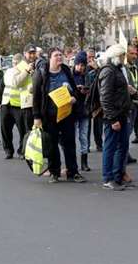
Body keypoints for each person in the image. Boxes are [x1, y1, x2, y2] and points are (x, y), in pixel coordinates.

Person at [32, 47, 86, 184]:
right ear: (50, 58)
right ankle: (54, 172)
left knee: (69, 143)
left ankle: (73, 172)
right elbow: (36, 97)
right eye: (56, 55)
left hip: (66, 114)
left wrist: (74, 97)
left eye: (60, 55)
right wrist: (37, 117)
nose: (59, 58)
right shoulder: (42, 73)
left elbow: (73, 90)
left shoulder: (66, 71)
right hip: (49, 116)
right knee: (52, 145)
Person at [98, 44, 133, 190]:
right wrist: (112, 119)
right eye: (122, 55)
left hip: (122, 114)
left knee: (122, 146)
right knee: (110, 147)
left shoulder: (117, 70)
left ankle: (118, 176)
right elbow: (105, 98)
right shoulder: (109, 71)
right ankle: (108, 178)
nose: (124, 58)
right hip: (114, 116)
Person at [0, 54, 26, 159]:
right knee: (5, 129)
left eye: (17, 63)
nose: (15, 65)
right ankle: (8, 151)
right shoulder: (8, 72)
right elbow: (2, 87)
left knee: (22, 130)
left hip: (19, 105)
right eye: (14, 63)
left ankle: (21, 151)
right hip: (6, 103)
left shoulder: (26, 72)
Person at [72, 51, 91, 172]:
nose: (81, 67)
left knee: (84, 137)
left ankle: (84, 162)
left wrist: (86, 90)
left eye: (83, 65)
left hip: (84, 110)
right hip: (73, 111)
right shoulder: (69, 74)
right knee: (72, 137)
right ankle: (73, 162)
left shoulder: (87, 75)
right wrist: (76, 89)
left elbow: (92, 89)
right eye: (79, 64)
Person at [86, 48, 103, 152]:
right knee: (87, 125)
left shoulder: (98, 68)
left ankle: (99, 144)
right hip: (87, 99)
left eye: (93, 57)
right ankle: (86, 145)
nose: (91, 59)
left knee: (98, 125)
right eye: (89, 57)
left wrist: (97, 68)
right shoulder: (84, 68)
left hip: (96, 99)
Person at [126, 45, 138, 144]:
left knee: (130, 129)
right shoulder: (123, 68)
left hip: (135, 102)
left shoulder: (136, 68)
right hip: (127, 103)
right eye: (132, 53)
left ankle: (126, 153)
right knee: (126, 130)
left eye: (136, 54)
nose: (135, 56)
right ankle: (124, 155)